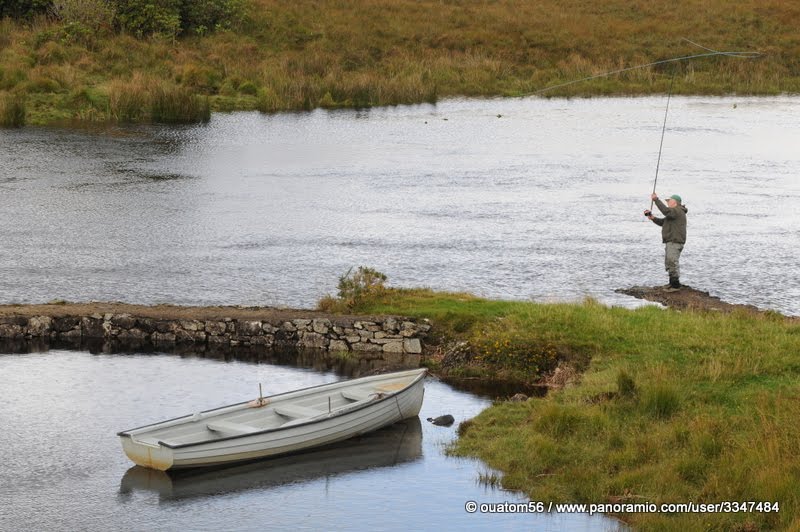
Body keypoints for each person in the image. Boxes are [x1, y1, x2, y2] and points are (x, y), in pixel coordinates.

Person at [644, 193, 687, 290]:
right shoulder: (674, 213)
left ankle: (675, 286)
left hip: (675, 241)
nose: (667, 203)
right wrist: (653, 218)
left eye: (669, 201)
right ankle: (672, 283)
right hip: (671, 241)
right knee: (669, 262)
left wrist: (656, 200)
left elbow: (665, 211)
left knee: (672, 261)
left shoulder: (677, 211)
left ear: (674, 202)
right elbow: (663, 222)